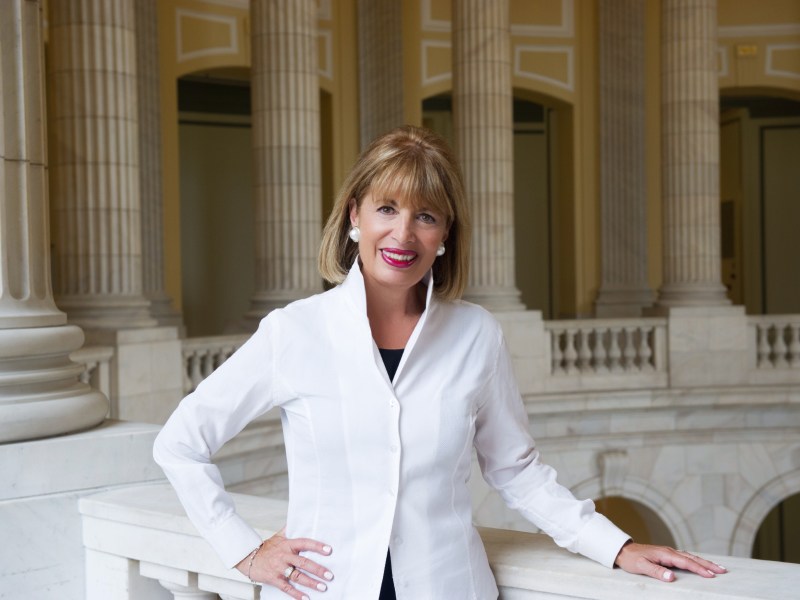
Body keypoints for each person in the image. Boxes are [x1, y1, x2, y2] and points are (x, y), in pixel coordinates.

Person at [153, 126, 726, 599]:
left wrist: (615, 546)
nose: (403, 233)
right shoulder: (295, 332)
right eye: (386, 208)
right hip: (323, 589)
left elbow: (516, 470)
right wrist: (245, 551)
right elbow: (179, 443)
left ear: (445, 233)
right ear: (354, 216)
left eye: (426, 216)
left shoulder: (477, 334)